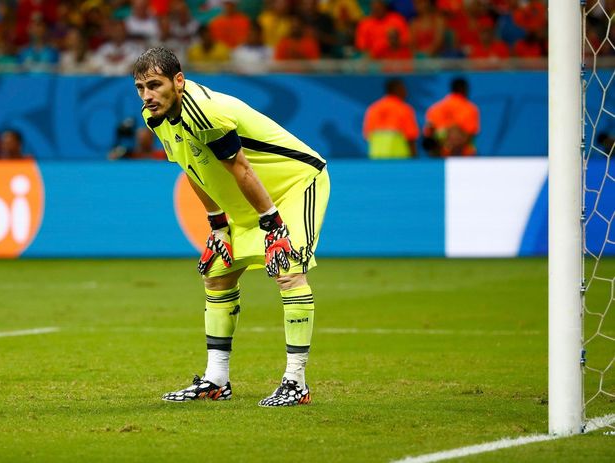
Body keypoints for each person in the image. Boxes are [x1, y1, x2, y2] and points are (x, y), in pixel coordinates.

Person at [133, 47, 329, 406]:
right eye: (140, 87)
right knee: (217, 276)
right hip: (248, 199)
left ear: (179, 81)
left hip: (293, 188)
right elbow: (191, 167)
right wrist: (217, 224)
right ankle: (216, 381)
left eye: (155, 85)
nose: (147, 95)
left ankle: (296, 382)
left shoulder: (204, 111)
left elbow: (241, 167)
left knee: (288, 272)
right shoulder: (154, 116)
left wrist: (273, 225)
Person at [423, 77, 480, 157]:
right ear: (464, 89)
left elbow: (428, 136)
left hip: (438, 157)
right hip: (463, 157)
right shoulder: (470, 109)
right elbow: (469, 135)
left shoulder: (434, 108)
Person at [363, 78, 419, 158]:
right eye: (403, 89)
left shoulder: (373, 108)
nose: (406, 92)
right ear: (396, 90)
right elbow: (411, 137)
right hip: (399, 157)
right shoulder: (404, 109)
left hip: (376, 156)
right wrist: (414, 159)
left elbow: (368, 135)